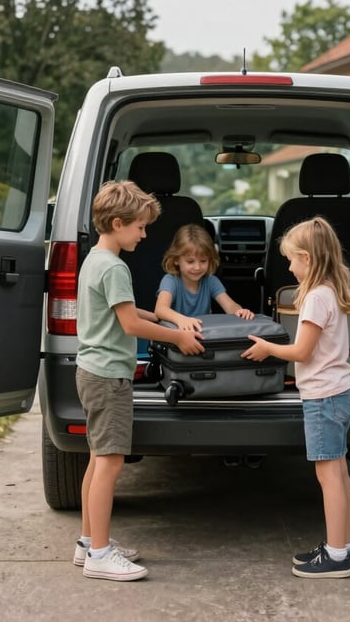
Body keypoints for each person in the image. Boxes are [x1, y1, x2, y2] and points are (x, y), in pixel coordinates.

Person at [73, 180, 204, 582]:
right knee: (110, 463)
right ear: (117, 223)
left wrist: (165, 316)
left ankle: (88, 542)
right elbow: (129, 324)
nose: (145, 235)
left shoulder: (95, 259)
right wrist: (179, 336)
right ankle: (99, 554)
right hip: (109, 377)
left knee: (97, 459)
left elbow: (127, 313)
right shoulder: (115, 267)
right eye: (140, 227)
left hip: (90, 370)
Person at [241, 216, 350, 578]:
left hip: (323, 397)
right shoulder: (330, 290)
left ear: (307, 258)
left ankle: (337, 556)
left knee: (329, 476)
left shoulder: (314, 298)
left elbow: (302, 352)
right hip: (340, 391)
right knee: (339, 472)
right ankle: (342, 546)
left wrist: (268, 349)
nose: (289, 266)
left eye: (292, 259)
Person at [154, 223, 254, 330]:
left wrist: (240, 311)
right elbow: (160, 309)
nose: (197, 267)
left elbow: (229, 305)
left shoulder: (210, 281)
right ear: (176, 260)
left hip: (203, 335)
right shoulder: (170, 280)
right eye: (190, 261)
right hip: (177, 336)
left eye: (203, 261)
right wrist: (182, 319)